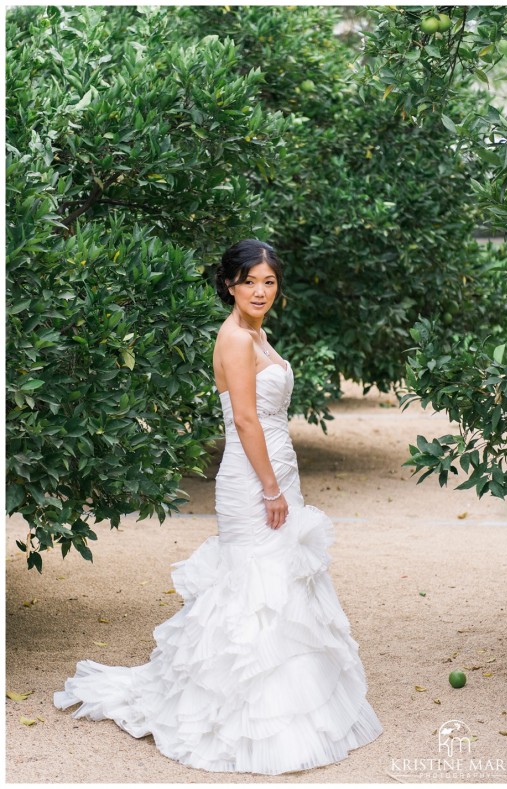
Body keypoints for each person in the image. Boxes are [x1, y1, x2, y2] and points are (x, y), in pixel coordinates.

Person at [53, 238, 384, 775]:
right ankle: (243, 714)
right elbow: (248, 421)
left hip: (276, 469)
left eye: (268, 281)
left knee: (283, 580)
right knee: (256, 585)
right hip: (253, 479)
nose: (260, 290)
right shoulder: (233, 338)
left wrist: (282, 483)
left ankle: (293, 704)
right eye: (249, 280)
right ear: (229, 284)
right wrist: (271, 490)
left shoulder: (258, 333)